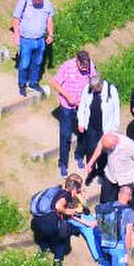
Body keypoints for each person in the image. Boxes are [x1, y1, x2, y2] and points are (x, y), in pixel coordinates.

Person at [51, 50, 98, 179]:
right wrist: (68, 97)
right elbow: (54, 83)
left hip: (82, 107)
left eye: (86, 66)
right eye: (82, 66)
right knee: (65, 136)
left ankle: (79, 156)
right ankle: (63, 164)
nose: (85, 69)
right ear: (77, 61)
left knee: (83, 132)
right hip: (67, 106)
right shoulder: (67, 66)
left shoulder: (90, 66)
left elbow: (95, 81)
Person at [92, 183, 134, 266]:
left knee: (109, 264)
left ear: (118, 194)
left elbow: (97, 226)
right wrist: (127, 253)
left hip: (103, 243)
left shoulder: (106, 207)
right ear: (129, 197)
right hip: (118, 247)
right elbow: (128, 235)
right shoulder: (129, 212)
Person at [11, 0, 54, 97]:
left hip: (40, 40)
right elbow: (16, 19)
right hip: (26, 40)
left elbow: (49, 19)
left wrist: (50, 34)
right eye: (36, 0)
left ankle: (33, 83)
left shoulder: (47, 3)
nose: (39, 2)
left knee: (37, 62)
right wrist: (16, 35)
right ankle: (22, 84)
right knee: (24, 63)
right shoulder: (23, 3)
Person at [76, 71, 120, 174]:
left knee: (104, 150)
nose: (94, 91)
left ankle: (102, 171)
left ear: (100, 85)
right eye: (93, 89)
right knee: (91, 148)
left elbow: (116, 110)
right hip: (91, 126)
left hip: (105, 128)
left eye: (96, 89)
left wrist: (114, 128)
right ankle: (90, 169)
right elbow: (82, 105)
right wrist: (81, 122)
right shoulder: (88, 88)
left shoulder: (111, 90)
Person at [85, 129, 134, 206]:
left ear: (114, 144)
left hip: (126, 178)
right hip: (110, 175)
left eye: (107, 149)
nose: (106, 150)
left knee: (126, 203)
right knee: (105, 201)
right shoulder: (106, 138)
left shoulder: (129, 145)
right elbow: (99, 147)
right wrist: (90, 163)